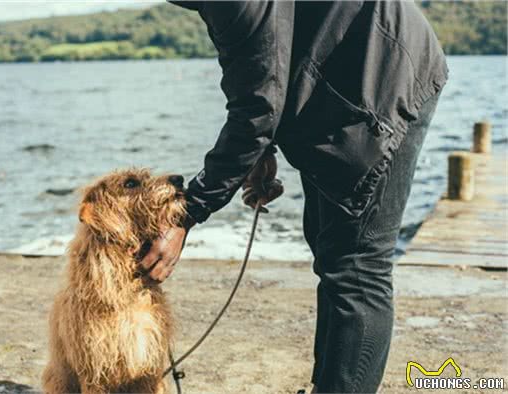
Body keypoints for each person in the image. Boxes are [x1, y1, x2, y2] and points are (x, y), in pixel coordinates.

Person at [139, 1, 447, 392]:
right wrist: (261, 150)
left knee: (358, 267)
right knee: (330, 248)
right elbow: (254, 64)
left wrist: (187, 213)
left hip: (382, 74)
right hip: (341, 74)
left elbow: (258, 106)